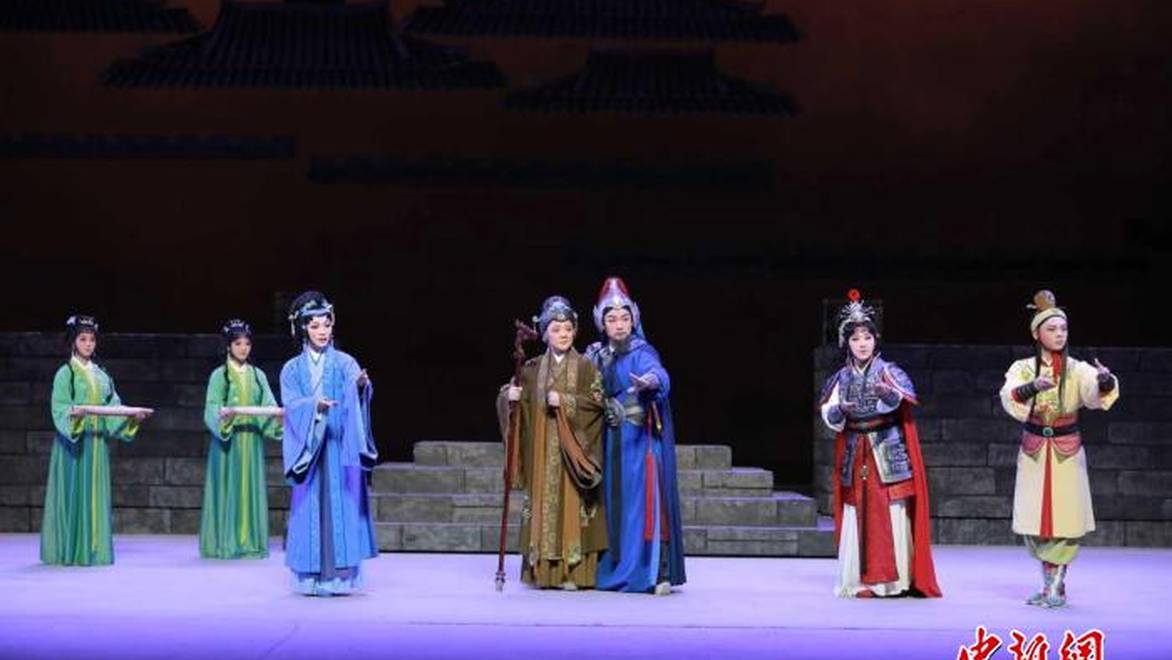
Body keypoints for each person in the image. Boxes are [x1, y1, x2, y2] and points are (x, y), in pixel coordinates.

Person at [999, 290, 1119, 608]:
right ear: (1036, 333)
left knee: (1065, 519)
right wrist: (1032, 387)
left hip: (1066, 450)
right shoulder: (1024, 367)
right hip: (1035, 450)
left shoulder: (1077, 368)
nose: (1059, 334)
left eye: (1063, 329)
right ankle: (1050, 585)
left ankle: (1055, 587)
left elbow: (1094, 392)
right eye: (1051, 329)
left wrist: (1105, 380)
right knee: (1034, 519)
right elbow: (1009, 394)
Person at [817, 290, 940, 598]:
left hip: (886, 448)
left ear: (875, 340)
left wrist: (888, 395)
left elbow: (901, 399)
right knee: (856, 510)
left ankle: (892, 581)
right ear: (846, 342)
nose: (862, 343)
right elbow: (829, 414)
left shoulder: (889, 371)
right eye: (855, 338)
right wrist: (840, 410)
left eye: (867, 337)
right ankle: (857, 580)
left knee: (891, 509)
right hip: (855, 448)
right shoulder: (840, 378)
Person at [497, 296, 606, 589]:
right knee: (542, 507)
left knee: (573, 505)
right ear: (545, 333)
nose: (563, 334)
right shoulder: (531, 368)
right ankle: (542, 572)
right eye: (556, 329)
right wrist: (509, 398)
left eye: (568, 328)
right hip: (541, 451)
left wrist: (567, 402)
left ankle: (574, 573)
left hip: (573, 451)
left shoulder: (586, 367)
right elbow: (515, 402)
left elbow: (598, 404)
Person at [586, 277, 686, 595]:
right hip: (609, 444)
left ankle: (655, 572)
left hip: (639, 443)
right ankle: (607, 567)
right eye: (612, 319)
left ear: (634, 320)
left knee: (643, 507)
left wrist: (650, 381)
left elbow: (658, 373)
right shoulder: (595, 356)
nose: (619, 324)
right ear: (602, 322)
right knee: (611, 507)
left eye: (624, 318)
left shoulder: (641, 351)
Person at [280, 292, 377, 595]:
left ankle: (341, 577)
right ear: (302, 329)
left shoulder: (346, 362)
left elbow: (357, 392)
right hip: (309, 450)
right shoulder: (292, 369)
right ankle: (309, 577)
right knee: (309, 507)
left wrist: (360, 387)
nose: (322, 331)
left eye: (326, 324)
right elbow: (291, 405)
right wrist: (314, 406)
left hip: (339, 446)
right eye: (314, 326)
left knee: (342, 507)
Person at [41, 315, 151, 565]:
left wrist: (131, 418)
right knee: (73, 493)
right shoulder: (65, 374)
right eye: (83, 339)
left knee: (95, 495)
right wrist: (75, 415)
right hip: (74, 445)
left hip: (97, 444)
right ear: (73, 341)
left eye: (92, 339)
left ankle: (93, 547)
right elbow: (59, 409)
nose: (88, 344)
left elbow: (113, 408)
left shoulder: (102, 375)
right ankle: (70, 549)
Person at [199, 319, 283, 559]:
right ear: (228, 346)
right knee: (228, 487)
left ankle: (250, 542)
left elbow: (268, 404)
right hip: (228, 443)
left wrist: (277, 418)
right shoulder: (220, 375)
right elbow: (211, 408)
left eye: (247, 343)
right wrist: (224, 418)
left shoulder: (258, 375)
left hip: (252, 441)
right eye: (238, 343)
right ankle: (225, 542)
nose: (243, 348)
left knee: (250, 488)